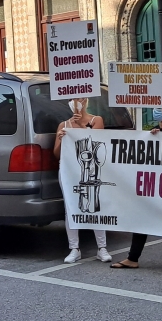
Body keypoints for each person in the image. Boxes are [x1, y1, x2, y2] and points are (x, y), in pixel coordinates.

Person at [110, 108, 162, 272]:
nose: (155, 111)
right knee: (143, 215)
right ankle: (133, 258)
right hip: (156, 183)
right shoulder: (155, 131)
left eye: (158, 108)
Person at [54, 98, 111, 264]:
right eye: (73, 99)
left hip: (91, 171)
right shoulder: (63, 125)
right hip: (68, 172)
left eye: (80, 98)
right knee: (70, 207)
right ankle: (74, 248)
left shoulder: (96, 120)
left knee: (95, 205)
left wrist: (79, 126)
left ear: (85, 101)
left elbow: (96, 144)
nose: (76, 102)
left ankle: (102, 248)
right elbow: (57, 154)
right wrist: (60, 138)